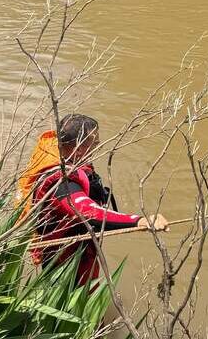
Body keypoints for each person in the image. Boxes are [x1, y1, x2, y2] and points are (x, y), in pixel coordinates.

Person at [18, 113, 169, 285]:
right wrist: (139, 221)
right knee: (72, 303)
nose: (98, 147)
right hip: (65, 259)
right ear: (80, 147)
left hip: (74, 247)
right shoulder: (61, 182)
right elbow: (87, 211)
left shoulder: (62, 153)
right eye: (95, 143)